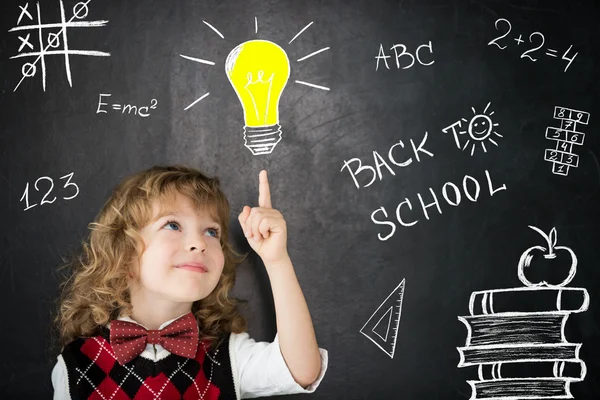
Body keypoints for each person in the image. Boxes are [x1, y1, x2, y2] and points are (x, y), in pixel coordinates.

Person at [51, 165, 328, 399]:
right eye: (172, 225)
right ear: (123, 253)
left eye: (211, 231)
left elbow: (303, 369)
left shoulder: (227, 356)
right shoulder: (76, 365)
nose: (198, 243)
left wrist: (276, 260)